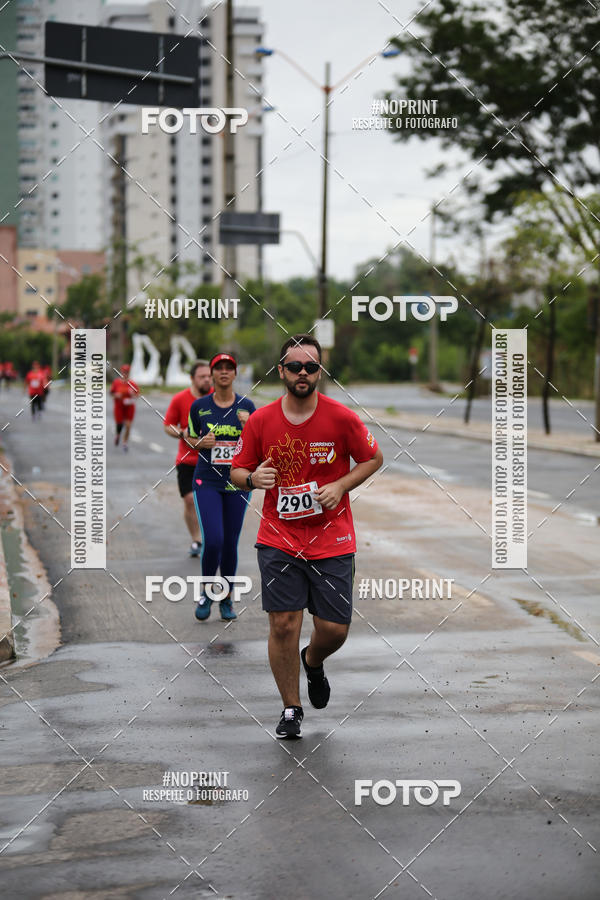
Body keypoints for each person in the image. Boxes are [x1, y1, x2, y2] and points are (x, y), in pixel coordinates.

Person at [230, 334, 383, 739]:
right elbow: (236, 471)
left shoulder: (341, 418)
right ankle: (291, 708)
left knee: (334, 629)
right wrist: (253, 479)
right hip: (278, 537)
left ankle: (312, 661)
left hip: (332, 539)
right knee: (283, 624)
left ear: (319, 371)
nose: (303, 373)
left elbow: (373, 457)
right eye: (295, 366)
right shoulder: (262, 420)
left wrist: (341, 486)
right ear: (281, 370)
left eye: (310, 367)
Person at [187, 352, 255, 622]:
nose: (224, 372)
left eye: (229, 368)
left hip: (238, 482)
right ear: (212, 374)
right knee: (213, 540)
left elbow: (260, 444)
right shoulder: (199, 406)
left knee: (229, 543)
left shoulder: (247, 406)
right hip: (208, 481)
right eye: (219, 368)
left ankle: (226, 598)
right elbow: (189, 435)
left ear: (235, 374)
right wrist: (199, 443)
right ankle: (205, 593)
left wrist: (248, 428)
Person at [164, 359, 213, 557]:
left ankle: (213, 537)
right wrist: (182, 433)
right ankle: (197, 540)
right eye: (202, 377)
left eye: (209, 376)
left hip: (213, 460)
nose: (207, 380)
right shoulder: (180, 399)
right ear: (192, 378)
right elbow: (168, 425)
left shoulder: (217, 398)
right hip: (188, 460)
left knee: (212, 500)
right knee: (190, 500)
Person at [110, 364, 139, 451]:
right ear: (121, 372)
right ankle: (118, 435)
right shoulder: (116, 383)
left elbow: (137, 395)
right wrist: (116, 395)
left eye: (127, 372)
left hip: (129, 407)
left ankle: (124, 442)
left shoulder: (132, 384)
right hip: (119, 406)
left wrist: (133, 395)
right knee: (119, 424)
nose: (125, 374)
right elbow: (111, 393)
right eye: (124, 372)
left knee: (128, 426)